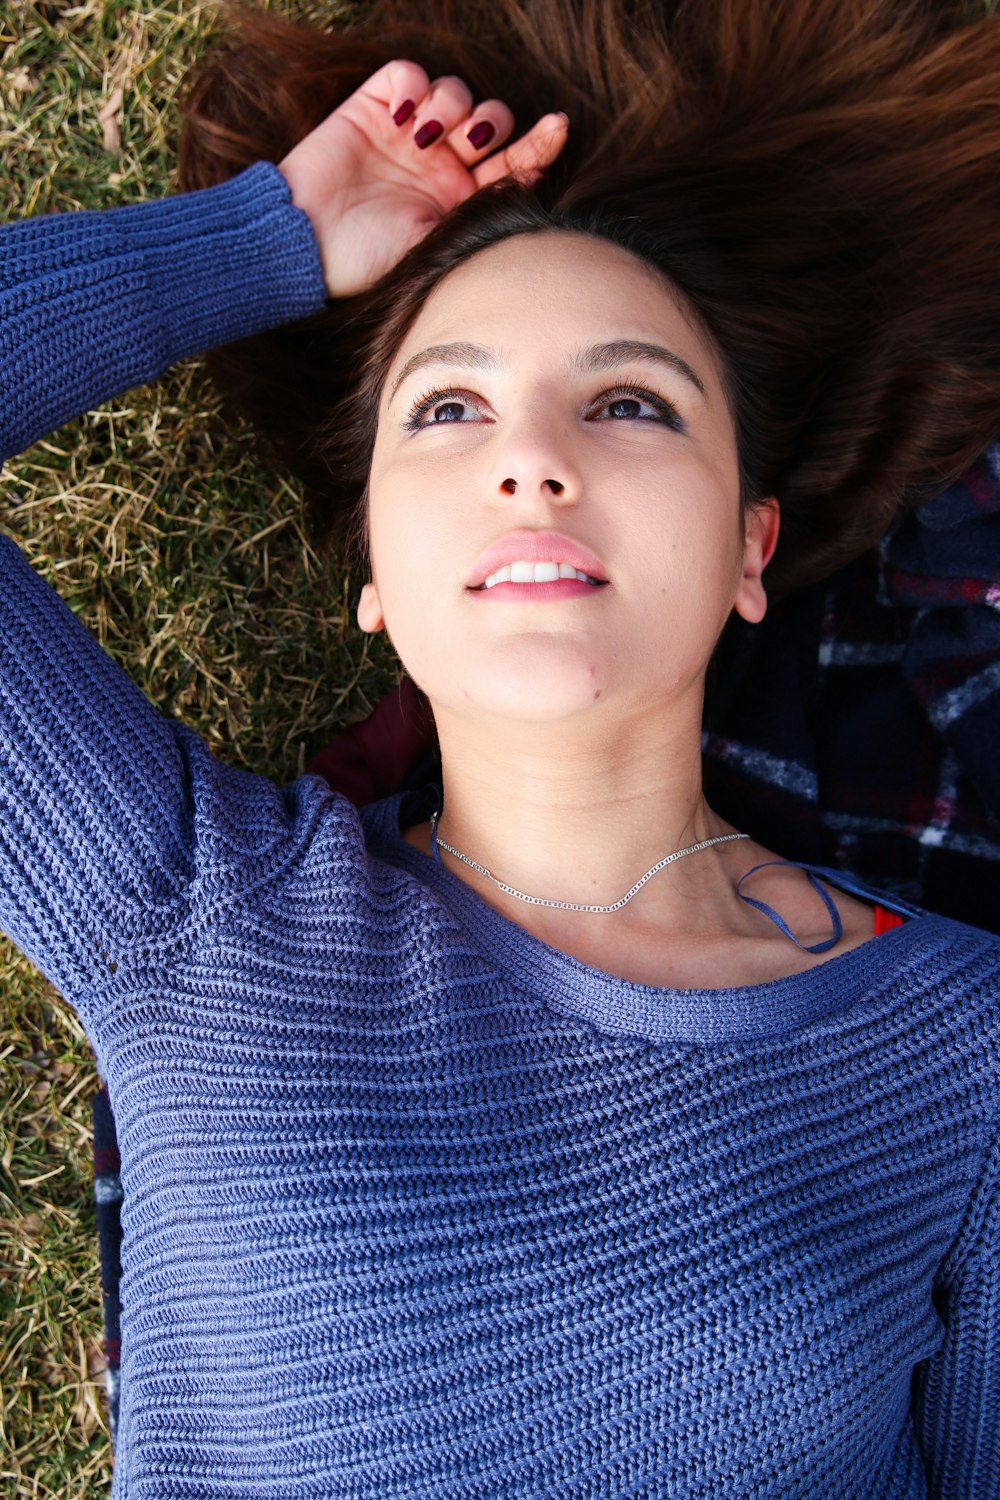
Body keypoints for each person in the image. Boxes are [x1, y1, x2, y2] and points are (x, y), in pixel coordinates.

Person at [2, 0, 998, 1494]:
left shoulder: (961, 1047)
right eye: (451, 406)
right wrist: (269, 234)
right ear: (375, 576)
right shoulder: (202, 919)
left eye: (630, 402)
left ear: (749, 547)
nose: (535, 457)